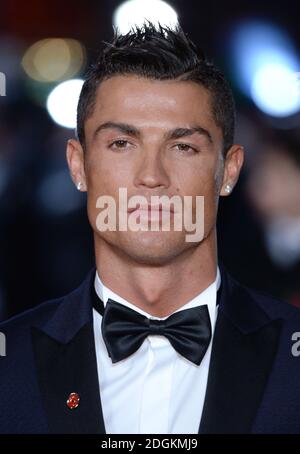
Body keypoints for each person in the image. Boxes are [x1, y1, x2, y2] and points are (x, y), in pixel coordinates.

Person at [0, 22, 300, 435]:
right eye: (122, 144)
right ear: (78, 165)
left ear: (228, 171)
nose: (152, 176)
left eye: (183, 147)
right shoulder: (9, 363)